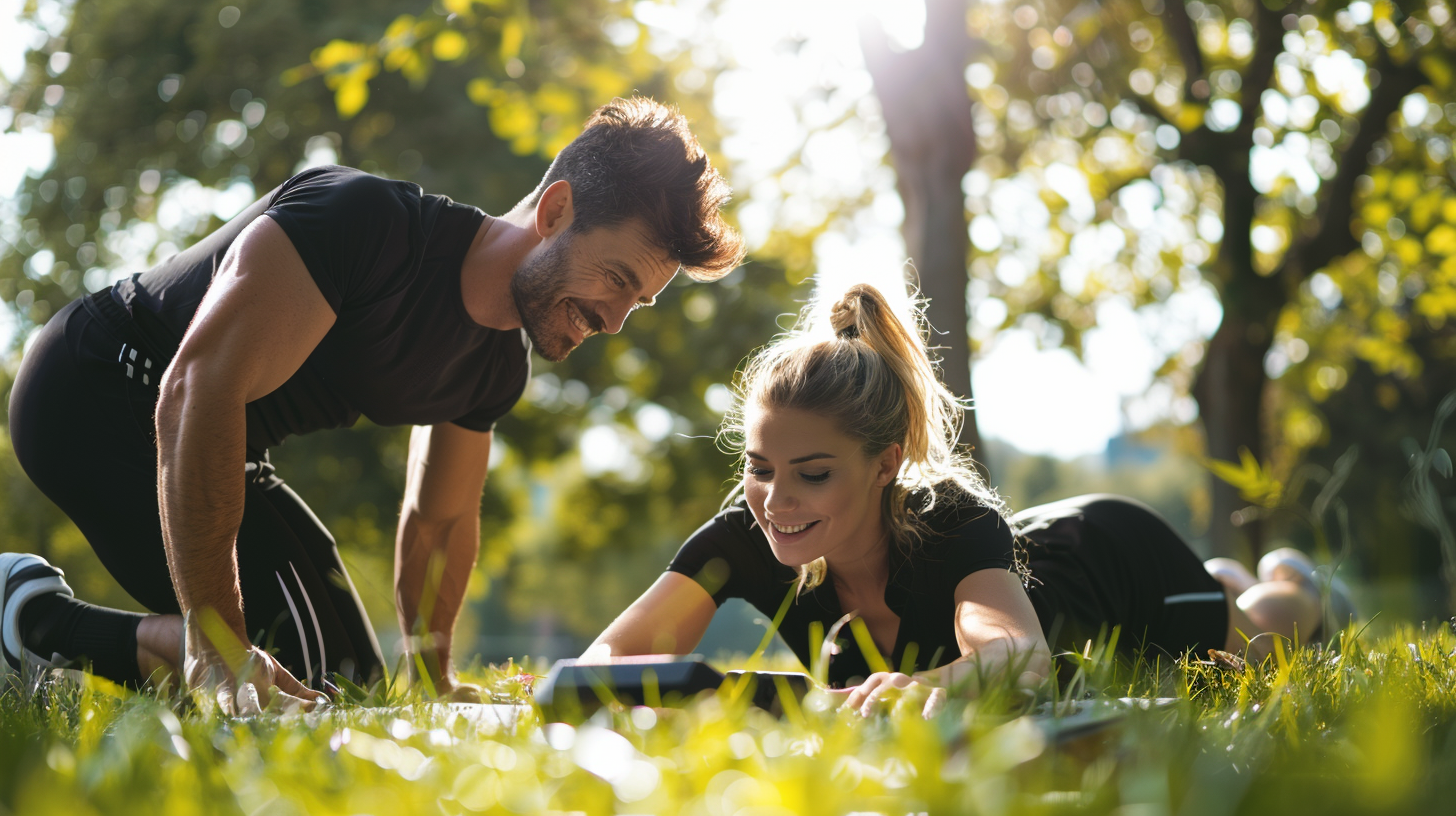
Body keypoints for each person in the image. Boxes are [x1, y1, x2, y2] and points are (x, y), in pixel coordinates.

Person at [2, 97, 745, 712]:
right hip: (97, 386)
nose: (615, 320)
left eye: (638, 303)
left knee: (346, 681)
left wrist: (433, 672)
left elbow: (439, 518)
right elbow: (195, 389)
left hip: (209, 430)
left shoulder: (493, 368)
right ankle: (136, 645)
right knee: (270, 663)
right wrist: (219, 643)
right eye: (617, 278)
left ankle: (36, 623)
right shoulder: (362, 222)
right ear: (555, 211)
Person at [587, 283, 1350, 716]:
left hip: (1115, 569)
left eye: (811, 473)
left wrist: (916, 686)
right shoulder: (744, 535)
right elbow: (612, 661)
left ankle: (1297, 593)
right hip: (1034, 564)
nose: (774, 499)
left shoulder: (949, 520)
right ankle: (1232, 578)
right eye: (759, 468)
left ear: (885, 463)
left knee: (1255, 648)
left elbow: (1015, 658)